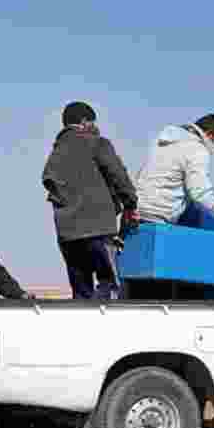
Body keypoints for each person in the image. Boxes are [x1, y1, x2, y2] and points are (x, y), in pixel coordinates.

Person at [42, 101, 139, 300]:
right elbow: (118, 175)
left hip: (68, 234)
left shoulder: (56, 152)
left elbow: (48, 180)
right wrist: (130, 203)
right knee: (110, 284)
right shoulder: (96, 142)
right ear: (85, 121)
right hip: (99, 230)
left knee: (81, 292)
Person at [135, 112, 214, 234]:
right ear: (209, 135)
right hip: (156, 220)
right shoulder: (197, 150)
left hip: (135, 215)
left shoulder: (165, 140)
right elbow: (200, 194)